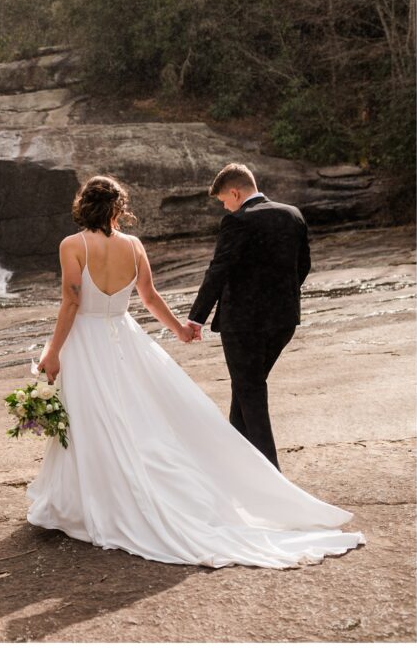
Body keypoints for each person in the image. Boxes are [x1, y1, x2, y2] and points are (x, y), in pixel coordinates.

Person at [29, 175, 364, 569]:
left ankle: (90, 499)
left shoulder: (72, 245)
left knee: (90, 418)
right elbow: (149, 298)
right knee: (132, 417)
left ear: (83, 205)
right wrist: (180, 329)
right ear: (119, 207)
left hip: (86, 341)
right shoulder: (134, 246)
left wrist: (53, 351)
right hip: (124, 338)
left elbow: (71, 300)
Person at [183, 163, 309, 472]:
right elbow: (302, 266)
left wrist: (195, 319)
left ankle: (271, 477)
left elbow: (218, 270)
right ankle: (236, 468)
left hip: (243, 324)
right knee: (246, 388)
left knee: (250, 392)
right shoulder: (292, 214)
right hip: (283, 321)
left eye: (224, 200)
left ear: (235, 193)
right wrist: (280, 298)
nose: (224, 207)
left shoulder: (237, 222)